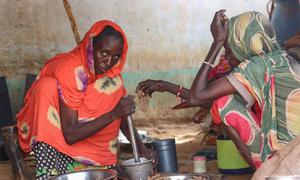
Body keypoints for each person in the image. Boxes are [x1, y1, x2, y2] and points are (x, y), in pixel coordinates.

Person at [136, 10, 300, 170]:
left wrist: (217, 43)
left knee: (223, 105)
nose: (227, 57)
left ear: (243, 45)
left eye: (228, 49)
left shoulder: (256, 66)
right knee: (224, 100)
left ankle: (266, 169)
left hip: (289, 161)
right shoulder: (282, 59)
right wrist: (163, 86)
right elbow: (204, 98)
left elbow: (197, 97)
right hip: (295, 152)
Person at [17, 20, 155, 179]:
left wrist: (142, 148)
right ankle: (50, 173)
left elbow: (122, 118)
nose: (108, 62)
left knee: (112, 84)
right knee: (45, 86)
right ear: (90, 46)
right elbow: (70, 135)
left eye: (115, 57)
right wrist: (114, 113)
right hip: (59, 142)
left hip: (90, 146)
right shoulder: (70, 69)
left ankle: (100, 163)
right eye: (103, 53)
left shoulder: (109, 76)